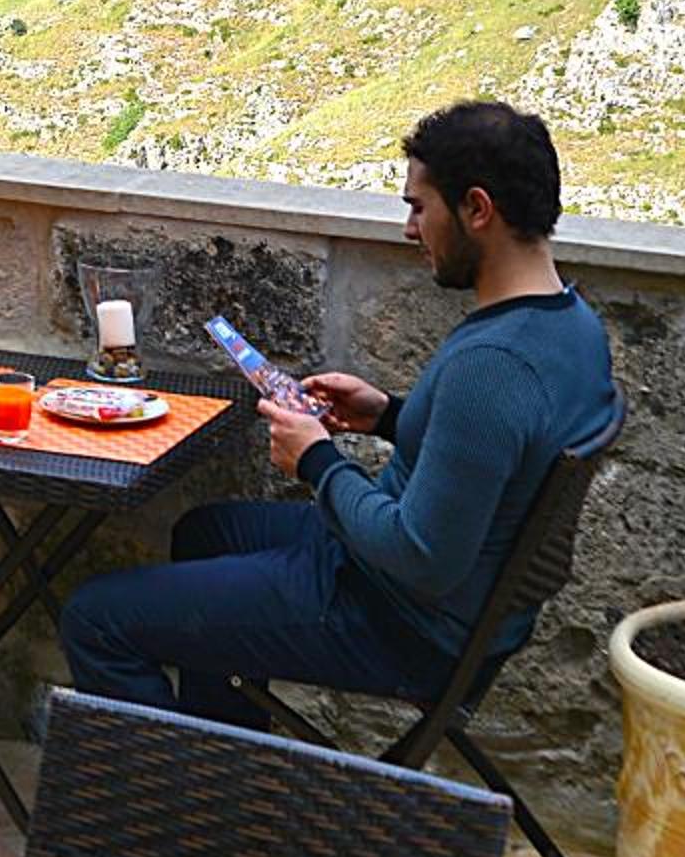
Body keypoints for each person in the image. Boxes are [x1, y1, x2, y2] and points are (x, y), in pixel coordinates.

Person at [57, 99, 623, 728]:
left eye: (419, 207)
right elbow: (492, 453)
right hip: (443, 603)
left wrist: (316, 460)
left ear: (477, 209)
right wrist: (386, 416)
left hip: (397, 618)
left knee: (95, 618)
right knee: (206, 533)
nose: (410, 229)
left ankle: (174, 784)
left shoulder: (492, 364)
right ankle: (227, 757)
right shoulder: (571, 325)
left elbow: (421, 555)